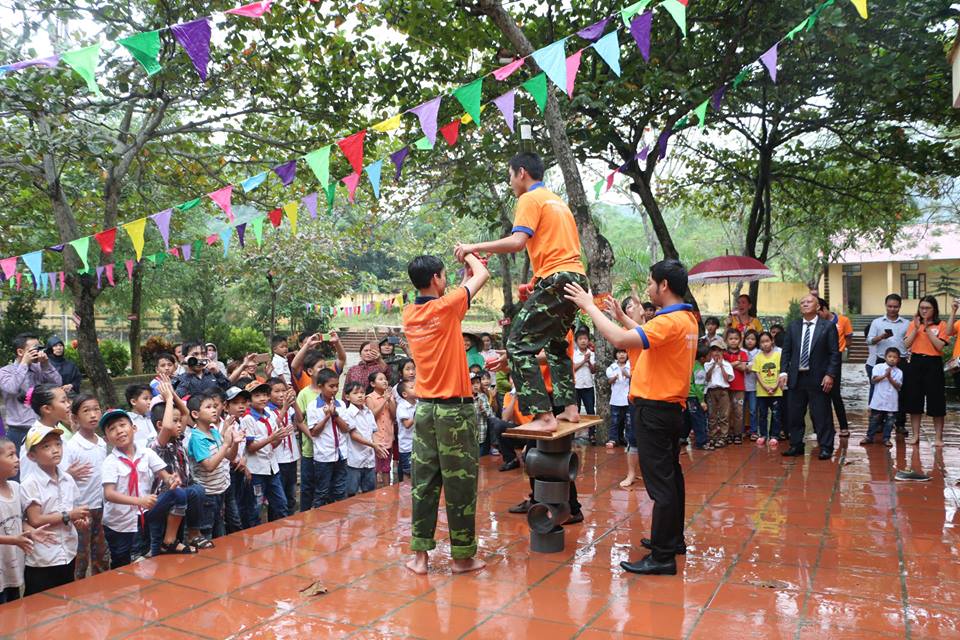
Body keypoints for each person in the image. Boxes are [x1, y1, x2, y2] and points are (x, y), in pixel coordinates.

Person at [565, 258, 699, 576]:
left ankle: (663, 556)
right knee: (672, 478)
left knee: (660, 484)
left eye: (652, 283)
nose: (650, 288)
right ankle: (672, 541)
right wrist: (623, 317)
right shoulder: (687, 318)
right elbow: (644, 336)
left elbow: (621, 341)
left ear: (664, 285)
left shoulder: (670, 321)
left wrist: (589, 306)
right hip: (670, 409)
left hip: (655, 410)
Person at [455, 152, 588, 432]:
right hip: (574, 277)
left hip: (557, 278)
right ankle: (571, 408)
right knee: (556, 344)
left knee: (517, 344)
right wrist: (537, 282)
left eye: (510, 175)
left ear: (522, 172)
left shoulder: (529, 198)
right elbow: (557, 249)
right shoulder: (556, 201)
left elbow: (517, 242)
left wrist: (473, 247)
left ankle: (543, 415)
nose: (510, 182)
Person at [401, 253, 488, 575]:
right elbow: (481, 276)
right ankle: (462, 557)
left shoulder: (410, 313)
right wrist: (469, 255)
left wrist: (464, 276)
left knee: (423, 483)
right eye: (443, 276)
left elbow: (457, 296)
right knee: (460, 484)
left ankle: (420, 557)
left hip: (424, 409)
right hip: (455, 411)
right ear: (437, 279)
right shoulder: (447, 307)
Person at [101, 409, 194, 568]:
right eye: (112, 429)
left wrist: (172, 479)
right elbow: (108, 494)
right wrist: (139, 501)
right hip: (120, 523)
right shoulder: (110, 462)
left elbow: (165, 475)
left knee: (178, 494)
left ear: (134, 428)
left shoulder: (146, 453)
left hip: (144, 513)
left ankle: (169, 540)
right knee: (122, 562)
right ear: (107, 439)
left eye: (122, 425)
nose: (119, 431)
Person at [19, 424, 89, 594]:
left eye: (58, 444)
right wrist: (68, 515)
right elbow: (35, 520)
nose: (55, 450)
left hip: (68, 552)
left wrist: (80, 520)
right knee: (41, 606)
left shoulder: (68, 479)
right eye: (46, 446)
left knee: (66, 598)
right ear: (31, 455)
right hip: (43, 557)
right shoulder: (31, 484)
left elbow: (74, 510)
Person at [779, 294, 841, 460]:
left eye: (809, 302)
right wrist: (783, 372)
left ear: (818, 306)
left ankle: (826, 447)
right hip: (796, 377)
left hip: (818, 377)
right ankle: (796, 445)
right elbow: (786, 352)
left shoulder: (827, 327)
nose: (805, 304)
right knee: (795, 413)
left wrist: (830, 374)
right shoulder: (793, 326)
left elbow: (834, 354)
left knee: (821, 414)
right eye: (802, 302)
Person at [149, 387, 208, 552]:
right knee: (186, 492)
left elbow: (185, 413)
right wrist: (168, 400)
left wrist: (172, 394)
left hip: (180, 491)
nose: (179, 424)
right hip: (164, 495)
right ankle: (169, 541)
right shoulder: (157, 445)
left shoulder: (178, 438)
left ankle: (193, 534)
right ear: (159, 425)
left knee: (197, 489)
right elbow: (167, 427)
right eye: (175, 421)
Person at [1, 436, 55, 604]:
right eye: (10, 455)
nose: (17, 460)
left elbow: (18, 520)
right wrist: (13, 539)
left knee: (14, 610)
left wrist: (31, 531)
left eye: (16, 454)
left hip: (13, 566)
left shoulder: (16, 489)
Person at [62, 394, 107, 579]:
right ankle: (78, 591)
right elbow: (61, 477)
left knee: (102, 553)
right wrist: (68, 474)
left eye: (96, 409)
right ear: (75, 417)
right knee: (80, 556)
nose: (93, 415)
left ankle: (102, 585)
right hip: (82, 510)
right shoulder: (71, 446)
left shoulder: (102, 442)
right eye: (86, 411)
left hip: (101, 505)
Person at [187, 391, 241, 540]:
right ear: (195, 414)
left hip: (220, 489)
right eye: (208, 407)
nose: (214, 410)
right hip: (207, 493)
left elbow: (229, 456)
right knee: (207, 531)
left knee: (219, 527)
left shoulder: (213, 431)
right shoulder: (197, 438)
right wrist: (226, 444)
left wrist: (234, 443)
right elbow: (209, 466)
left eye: (215, 406)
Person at [0, 333, 62, 457]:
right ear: (20, 352)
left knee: (45, 470)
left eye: (39, 348)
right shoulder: (5, 371)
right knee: (18, 472)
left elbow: (58, 384)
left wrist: (46, 365)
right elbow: (11, 388)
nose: (39, 351)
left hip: (44, 429)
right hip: (19, 431)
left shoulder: (39, 368)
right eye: (35, 348)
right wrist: (24, 364)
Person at [240, 381, 292, 524]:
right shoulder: (248, 419)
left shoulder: (270, 414)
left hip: (272, 467)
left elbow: (273, 443)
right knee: (255, 507)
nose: (262, 398)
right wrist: (272, 438)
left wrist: (280, 437)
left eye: (264, 395)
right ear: (249, 401)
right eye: (257, 396)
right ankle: (252, 537)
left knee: (281, 504)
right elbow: (250, 448)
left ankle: (283, 535)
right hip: (257, 469)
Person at [901, 296, 948, 446]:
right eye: (921, 308)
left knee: (937, 400)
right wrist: (916, 328)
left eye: (927, 308)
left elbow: (939, 346)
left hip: (933, 363)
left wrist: (927, 329)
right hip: (915, 362)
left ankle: (938, 437)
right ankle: (915, 435)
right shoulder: (913, 324)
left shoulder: (941, 325)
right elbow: (906, 344)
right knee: (915, 400)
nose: (924, 311)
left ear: (934, 309)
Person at [866, 294, 909, 435]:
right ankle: (878, 423)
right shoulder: (877, 322)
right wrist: (881, 337)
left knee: (900, 391)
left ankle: (900, 423)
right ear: (885, 305)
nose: (892, 309)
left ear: (900, 306)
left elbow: (910, 341)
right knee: (879, 391)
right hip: (881, 361)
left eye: (895, 306)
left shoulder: (906, 323)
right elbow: (869, 340)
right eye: (890, 306)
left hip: (900, 361)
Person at [308, 368, 351, 506]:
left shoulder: (341, 404)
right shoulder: (313, 406)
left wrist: (335, 415)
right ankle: (319, 523)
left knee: (340, 490)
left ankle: (340, 520)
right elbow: (314, 432)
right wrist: (327, 416)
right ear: (320, 386)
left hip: (341, 454)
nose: (335, 389)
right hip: (324, 456)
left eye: (337, 386)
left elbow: (346, 428)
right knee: (322, 491)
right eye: (331, 386)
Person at [342, 381, 387, 497]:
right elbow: (354, 435)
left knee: (369, 492)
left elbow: (372, 433)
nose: (360, 395)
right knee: (351, 493)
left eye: (362, 392)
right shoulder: (348, 413)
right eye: (356, 393)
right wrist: (373, 445)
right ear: (347, 397)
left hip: (369, 459)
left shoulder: (368, 412)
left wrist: (376, 447)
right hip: (354, 460)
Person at [818, 299, 852, 438]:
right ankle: (825, 428)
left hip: (835, 359)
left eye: (819, 312)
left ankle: (843, 426)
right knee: (821, 394)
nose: (817, 315)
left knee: (835, 394)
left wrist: (843, 350)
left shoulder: (843, 320)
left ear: (825, 309)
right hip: (820, 360)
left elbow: (849, 338)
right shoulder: (817, 324)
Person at [267, 378, 299, 515]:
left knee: (291, 495)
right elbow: (272, 427)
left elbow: (300, 420)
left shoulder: (290, 408)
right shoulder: (267, 410)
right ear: (268, 394)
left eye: (283, 391)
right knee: (278, 499)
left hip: (292, 457)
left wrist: (294, 403)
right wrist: (285, 408)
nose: (281, 394)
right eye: (277, 391)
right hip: (277, 459)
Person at [861, 347, 902, 447]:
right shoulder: (878, 367)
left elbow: (898, 386)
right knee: (874, 419)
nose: (892, 359)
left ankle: (886, 438)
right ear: (885, 357)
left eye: (895, 357)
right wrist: (884, 375)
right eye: (890, 357)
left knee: (890, 421)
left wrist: (890, 378)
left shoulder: (899, 372)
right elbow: (874, 380)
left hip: (891, 401)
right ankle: (869, 437)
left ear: (898, 359)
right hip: (878, 400)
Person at [752, 331, 783, 447]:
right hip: (762, 392)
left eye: (767, 341)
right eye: (762, 342)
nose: (765, 344)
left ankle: (774, 435)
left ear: (772, 341)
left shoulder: (778, 356)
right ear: (759, 344)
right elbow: (757, 373)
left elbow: (780, 371)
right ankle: (763, 435)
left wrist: (775, 386)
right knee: (763, 414)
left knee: (776, 414)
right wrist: (765, 387)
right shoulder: (758, 357)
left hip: (776, 391)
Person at [366, 371, 396, 486]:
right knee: (375, 467)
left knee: (386, 467)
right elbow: (372, 415)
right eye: (380, 379)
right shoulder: (369, 398)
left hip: (387, 437)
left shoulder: (390, 397)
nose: (384, 381)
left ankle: (387, 490)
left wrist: (389, 400)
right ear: (373, 384)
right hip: (376, 438)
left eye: (385, 379)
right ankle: (373, 492)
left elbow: (394, 415)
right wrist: (384, 400)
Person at [722, 328, 749, 445]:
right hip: (726, 387)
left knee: (738, 412)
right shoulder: (723, 353)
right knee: (726, 412)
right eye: (731, 339)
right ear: (726, 340)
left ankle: (738, 434)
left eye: (736, 339)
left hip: (739, 388)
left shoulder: (743, 353)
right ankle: (727, 434)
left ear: (740, 340)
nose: (733, 341)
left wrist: (729, 365)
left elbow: (744, 368)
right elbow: (722, 367)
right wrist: (736, 363)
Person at [705, 344, 734, 449]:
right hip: (711, 391)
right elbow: (707, 378)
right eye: (714, 350)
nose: (716, 353)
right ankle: (712, 436)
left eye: (719, 351)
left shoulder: (727, 365)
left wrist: (721, 366)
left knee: (724, 415)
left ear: (723, 352)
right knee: (711, 414)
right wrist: (713, 366)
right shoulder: (707, 364)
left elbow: (728, 379)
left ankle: (723, 437)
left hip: (723, 391)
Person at [572, 327, 597, 442]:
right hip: (576, 386)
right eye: (581, 339)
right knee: (574, 411)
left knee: (590, 411)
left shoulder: (591, 354)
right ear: (576, 341)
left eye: (585, 339)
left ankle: (592, 434)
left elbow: (593, 370)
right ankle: (572, 435)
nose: (583, 341)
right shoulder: (573, 354)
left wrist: (589, 361)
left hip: (588, 386)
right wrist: (583, 361)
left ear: (588, 340)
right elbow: (573, 368)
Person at [684, 345, 709, 450]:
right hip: (694, 397)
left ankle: (682, 437)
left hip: (687, 396)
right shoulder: (699, 369)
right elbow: (699, 387)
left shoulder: (691, 365)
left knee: (687, 418)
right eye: (709, 355)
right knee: (698, 418)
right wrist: (702, 401)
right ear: (703, 358)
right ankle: (701, 442)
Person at [605, 349, 631, 448]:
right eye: (619, 353)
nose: (621, 355)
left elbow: (634, 378)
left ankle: (629, 439)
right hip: (615, 399)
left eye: (624, 353)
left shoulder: (631, 366)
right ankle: (613, 439)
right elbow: (609, 381)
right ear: (616, 355)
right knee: (615, 421)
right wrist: (615, 377)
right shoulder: (612, 367)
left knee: (628, 421)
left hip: (628, 399)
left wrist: (627, 375)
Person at [395, 380, 417, 481]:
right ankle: (405, 495)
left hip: (417, 444)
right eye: (412, 387)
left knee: (417, 471)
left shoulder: (418, 403)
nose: (416, 388)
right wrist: (418, 414)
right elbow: (407, 424)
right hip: (407, 446)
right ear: (404, 394)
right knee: (407, 472)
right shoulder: (402, 406)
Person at [126, 383, 157, 450]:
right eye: (145, 399)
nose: (150, 402)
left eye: (151, 399)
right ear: (133, 401)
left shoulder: (153, 417)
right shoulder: (128, 421)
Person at [742, 330, 759, 441]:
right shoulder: (741, 351)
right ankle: (741, 431)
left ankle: (753, 431)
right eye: (748, 339)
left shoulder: (759, 352)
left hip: (754, 386)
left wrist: (747, 366)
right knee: (741, 410)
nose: (750, 341)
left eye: (752, 339)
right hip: (741, 386)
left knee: (753, 410)